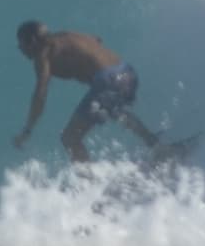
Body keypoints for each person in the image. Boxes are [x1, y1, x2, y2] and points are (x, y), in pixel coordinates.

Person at [11, 19, 164, 163]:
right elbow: (97, 40)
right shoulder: (68, 35)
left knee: (69, 138)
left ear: (32, 42)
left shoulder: (42, 55)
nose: (21, 50)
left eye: (21, 45)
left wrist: (27, 130)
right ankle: (158, 147)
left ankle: (89, 183)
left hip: (108, 81)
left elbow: (41, 94)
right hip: (127, 72)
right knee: (115, 111)